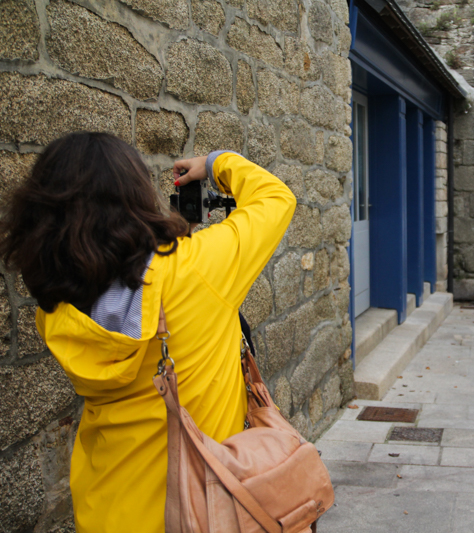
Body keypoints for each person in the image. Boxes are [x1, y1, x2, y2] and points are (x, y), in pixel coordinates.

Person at [0, 132, 296, 532]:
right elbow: (276, 199)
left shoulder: (54, 307)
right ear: (136, 198)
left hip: (110, 507)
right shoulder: (195, 268)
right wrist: (215, 163)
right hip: (202, 506)